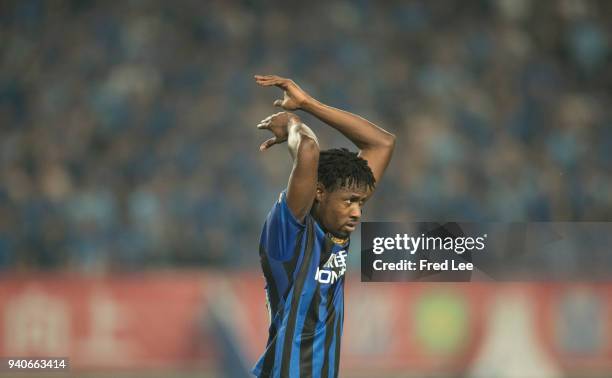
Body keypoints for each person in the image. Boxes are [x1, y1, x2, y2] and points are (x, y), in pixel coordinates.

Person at [252, 74, 395, 378]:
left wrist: (309, 104)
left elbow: (382, 143)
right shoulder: (287, 236)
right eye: (349, 201)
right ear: (319, 192)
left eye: (361, 203)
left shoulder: (338, 230)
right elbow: (308, 151)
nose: (356, 212)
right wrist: (292, 123)